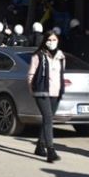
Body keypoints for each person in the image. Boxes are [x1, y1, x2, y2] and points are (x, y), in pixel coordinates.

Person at [27, 31, 65, 162]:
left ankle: (39, 146)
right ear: (45, 40)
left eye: (54, 39)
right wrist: (32, 91)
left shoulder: (61, 56)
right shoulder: (38, 55)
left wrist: (61, 90)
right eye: (49, 39)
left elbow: (61, 75)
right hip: (41, 91)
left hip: (56, 92)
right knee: (48, 118)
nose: (52, 42)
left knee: (48, 120)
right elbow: (31, 75)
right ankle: (51, 150)